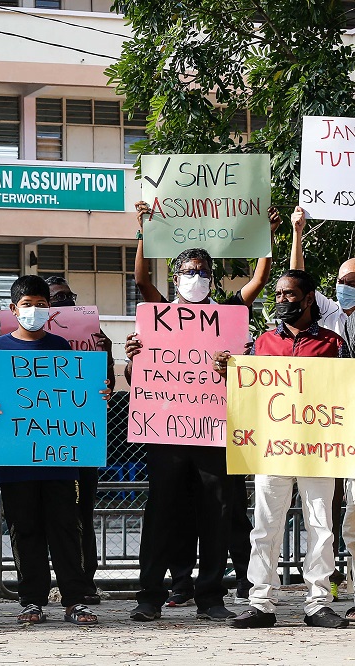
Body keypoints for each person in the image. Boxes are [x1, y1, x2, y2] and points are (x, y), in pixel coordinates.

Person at [125, 201, 279, 621]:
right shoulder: (159, 315)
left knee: (217, 513)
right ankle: (149, 596)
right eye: (188, 272)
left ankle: (211, 597)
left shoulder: (228, 315)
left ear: (212, 278)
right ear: (175, 278)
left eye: (202, 272)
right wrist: (143, 231)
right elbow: (140, 280)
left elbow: (260, 279)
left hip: (214, 430)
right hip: (165, 431)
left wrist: (264, 235)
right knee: (161, 513)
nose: (196, 278)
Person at [215, 270, 350, 629]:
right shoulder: (262, 344)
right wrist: (229, 372)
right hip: (273, 446)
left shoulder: (333, 344)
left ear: (309, 299)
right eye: (277, 294)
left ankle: (318, 602)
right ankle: (261, 602)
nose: (281, 301)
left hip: (320, 447)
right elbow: (251, 391)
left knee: (321, 524)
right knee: (265, 524)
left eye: (290, 295)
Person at [0, 276, 108, 627]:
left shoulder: (61, 346)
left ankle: (74, 599)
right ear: (13, 309)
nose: (35, 311)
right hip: (15, 458)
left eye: (42, 305)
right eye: (28, 305)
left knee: (65, 528)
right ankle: (32, 601)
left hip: (59, 460)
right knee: (25, 530)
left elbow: (75, 392)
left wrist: (97, 397)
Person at [289, 206, 355, 605]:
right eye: (344, 280)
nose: (349, 286)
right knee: (322, 510)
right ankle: (326, 583)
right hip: (325, 427)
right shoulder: (327, 315)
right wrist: (298, 232)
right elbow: (298, 280)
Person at [44, 276, 115, 604]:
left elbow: (106, 387)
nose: (63, 304)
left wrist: (106, 353)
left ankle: (83, 581)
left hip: (80, 441)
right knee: (43, 514)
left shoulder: (94, 340)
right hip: (40, 441)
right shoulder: (29, 341)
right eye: (55, 299)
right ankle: (43, 583)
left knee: (80, 512)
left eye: (67, 298)